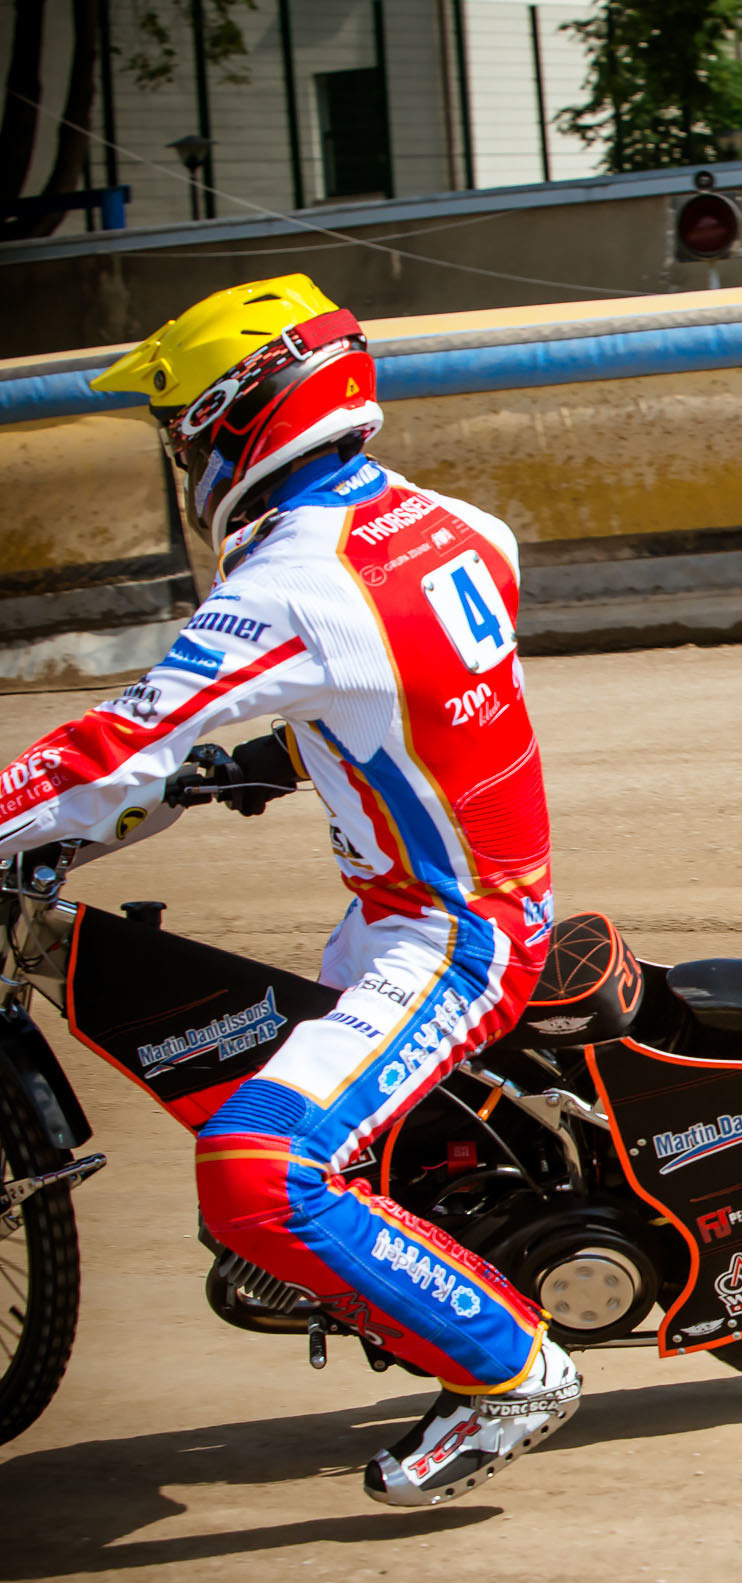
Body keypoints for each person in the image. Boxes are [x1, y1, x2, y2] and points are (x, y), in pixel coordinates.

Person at [0, 275, 580, 1506]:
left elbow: (113, 754)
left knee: (254, 1170)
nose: (176, 455)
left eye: (178, 428)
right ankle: (390, 1256)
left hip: (448, 937)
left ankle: (511, 1366)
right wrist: (282, 752)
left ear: (237, 418)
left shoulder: (292, 583)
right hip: (424, 898)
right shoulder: (455, 521)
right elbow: (407, 700)